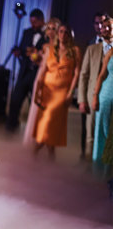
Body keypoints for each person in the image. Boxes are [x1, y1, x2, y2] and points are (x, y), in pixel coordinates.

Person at [32, 24, 81, 159]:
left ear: (70, 35)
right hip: (47, 90)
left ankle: (36, 152)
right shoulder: (50, 49)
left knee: (51, 122)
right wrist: (37, 92)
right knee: (45, 123)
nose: (63, 34)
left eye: (66, 32)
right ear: (58, 33)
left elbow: (77, 74)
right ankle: (49, 155)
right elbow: (42, 72)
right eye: (61, 31)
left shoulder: (75, 51)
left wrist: (71, 93)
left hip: (62, 92)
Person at [5, 8, 46, 132]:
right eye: (31, 22)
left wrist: (36, 55)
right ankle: (12, 125)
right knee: (15, 98)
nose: (32, 25)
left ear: (42, 20)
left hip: (38, 73)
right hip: (25, 71)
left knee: (35, 103)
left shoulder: (47, 35)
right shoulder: (27, 32)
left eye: (34, 22)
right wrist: (20, 53)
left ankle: (36, 129)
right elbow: (23, 49)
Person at [23, 17, 61, 147]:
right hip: (40, 78)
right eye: (49, 28)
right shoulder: (45, 46)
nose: (50, 31)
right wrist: (34, 56)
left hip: (52, 81)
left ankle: (46, 140)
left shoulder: (60, 47)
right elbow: (40, 62)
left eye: (54, 29)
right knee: (36, 109)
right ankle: (33, 140)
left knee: (49, 113)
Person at [78, 14, 112, 160]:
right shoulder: (92, 49)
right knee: (91, 135)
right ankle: (89, 167)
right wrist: (81, 100)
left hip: (109, 97)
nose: (106, 29)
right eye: (104, 26)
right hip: (92, 97)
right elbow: (83, 76)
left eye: (110, 26)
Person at [92, 38, 113, 165]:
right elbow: (101, 75)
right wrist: (95, 96)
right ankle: (98, 168)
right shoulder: (111, 51)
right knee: (101, 132)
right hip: (105, 96)